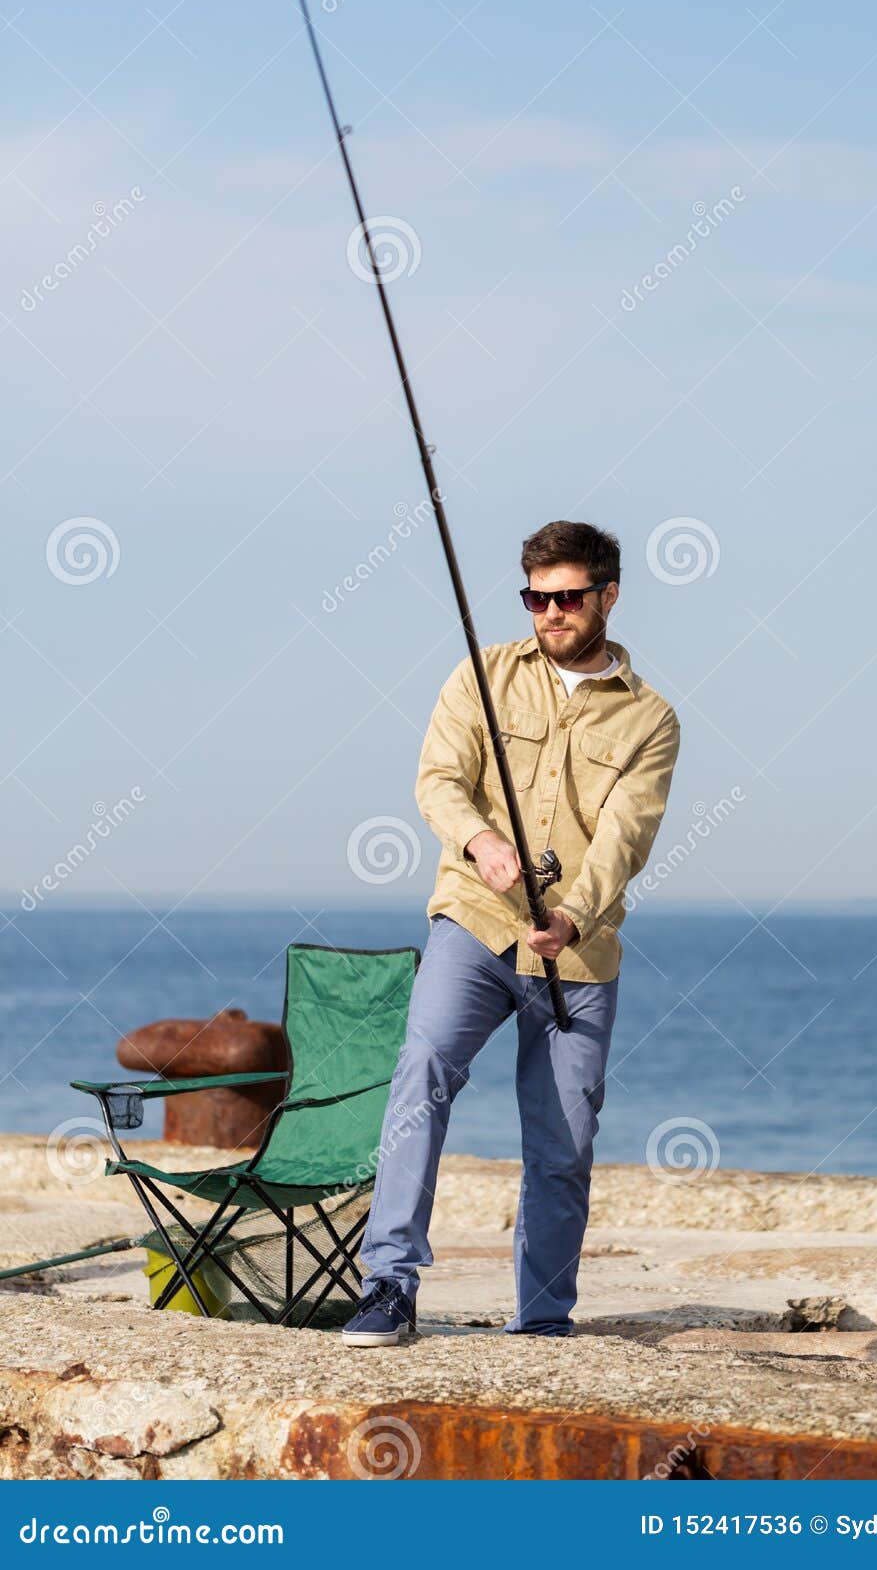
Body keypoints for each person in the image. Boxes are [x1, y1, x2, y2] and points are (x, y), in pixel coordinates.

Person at [342, 520, 681, 1345]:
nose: (551, 612)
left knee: (562, 1140)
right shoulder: (482, 674)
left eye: (568, 597)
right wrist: (482, 841)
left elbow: (624, 839)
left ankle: (541, 1318)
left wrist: (573, 914)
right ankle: (389, 1282)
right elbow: (438, 779)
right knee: (423, 1065)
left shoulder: (651, 720)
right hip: (474, 917)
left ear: (607, 595)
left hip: (578, 951)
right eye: (536, 597)